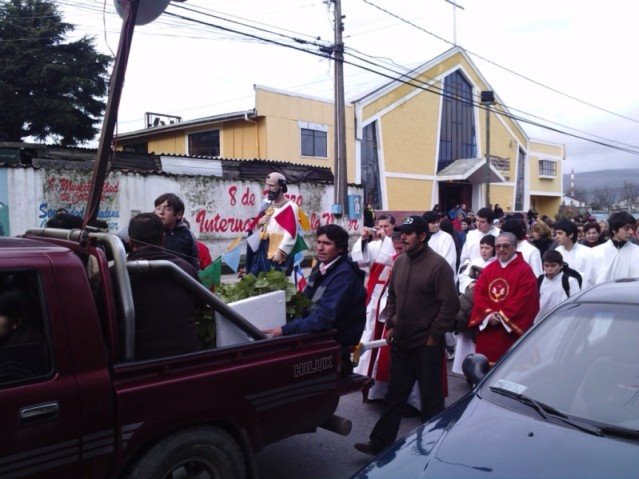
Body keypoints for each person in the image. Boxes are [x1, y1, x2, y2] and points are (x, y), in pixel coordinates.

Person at [354, 216, 459, 456]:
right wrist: (391, 323)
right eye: (401, 233)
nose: (402, 238)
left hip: (427, 344)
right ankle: (379, 443)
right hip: (401, 340)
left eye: (409, 233)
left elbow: (450, 305)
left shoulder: (438, 266)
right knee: (394, 396)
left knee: (431, 401)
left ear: (422, 236)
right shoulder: (400, 262)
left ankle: (432, 449)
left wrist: (434, 334)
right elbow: (392, 297)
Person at [264, 224, 366, 377]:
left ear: (340, 249)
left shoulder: (345, 275)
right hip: (316, 337)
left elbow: (325, 318)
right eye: (319, 242)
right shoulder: (321, 266)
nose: (320, 248)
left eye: (327, 243)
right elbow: (306, 303)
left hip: (333, 343)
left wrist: (284, 330)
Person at [127, 213, 201, 360]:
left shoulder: (116, 274)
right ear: (163, 238)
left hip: (138, 362)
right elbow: (198, 306)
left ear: (130, 242)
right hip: (189, 357)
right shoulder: (186, 269)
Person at [468, 232, 539, 366]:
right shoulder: (489, 269)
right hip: (488, 327)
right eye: (498, 246)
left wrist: (502, 316)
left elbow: (525, 299)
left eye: (505, 246)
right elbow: (479, 294)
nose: (501, 249)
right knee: (483, 372)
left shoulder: (525, 271)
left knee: (509, 369)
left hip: (510, 331)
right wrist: (488, 315)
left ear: (514, 246)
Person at [351, 215, 397, 380]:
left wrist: (385, 239)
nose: (383, 230)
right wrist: (363, 240)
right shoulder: (374, 244)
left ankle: (379, 374)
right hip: (374, 294)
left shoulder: (396, 243)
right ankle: (362, 371)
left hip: (389, 294)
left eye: (386, 226)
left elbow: (388, 259)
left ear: (393, 226)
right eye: (380, 227)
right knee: (369, 332)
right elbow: (360, 261)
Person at [452, 234, 496, 375]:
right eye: (481, 247)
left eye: (487, 248)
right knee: (465, 336)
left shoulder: (495, 264)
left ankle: (478, 369)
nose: (483, 250)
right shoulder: (474, 261)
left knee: (477, 337)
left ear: (493, 249)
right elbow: (462, 276)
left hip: (484, 304)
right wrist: (470, 283)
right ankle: (462, 367)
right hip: (469, 302)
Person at [245, 172, 300, 275]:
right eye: (267, 185)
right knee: (258, 278)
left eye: (272, 185)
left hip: (276, 249)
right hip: (262, 246)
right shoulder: (266, 204)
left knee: (274, 280)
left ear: (281, 186)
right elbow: (256, 226)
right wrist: (258, 223)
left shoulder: (290, 206)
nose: (268, 188)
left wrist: (282, 251)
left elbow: (291, 232)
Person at [153, 193, 199, 270]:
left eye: (167, 209)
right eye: (158, 208)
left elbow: (194, 262)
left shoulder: (188, 234)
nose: (161, 212)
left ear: (179, 214)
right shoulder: (147, 230)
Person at [534, 250, 581, 324]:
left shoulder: (570, 281)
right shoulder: (540, 280)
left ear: (561, 265)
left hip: (562, 323)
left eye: (553, 265)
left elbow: (576, 304)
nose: (549, 269)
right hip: (541, 322)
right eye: (546, 266)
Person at [591, 212, 639, 284]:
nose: (631, 232)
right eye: (626, 228)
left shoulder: (637, 251)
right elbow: (589, 281)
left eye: (632, 228)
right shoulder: (596, 252)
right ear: (614, 229)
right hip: (602, 293)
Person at [553, 218, 595, 288]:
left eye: (560, 233)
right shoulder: (557, 251)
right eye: (556, 233)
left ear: (571, 235)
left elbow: (591, 277)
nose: (556, 236)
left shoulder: (588, 252)